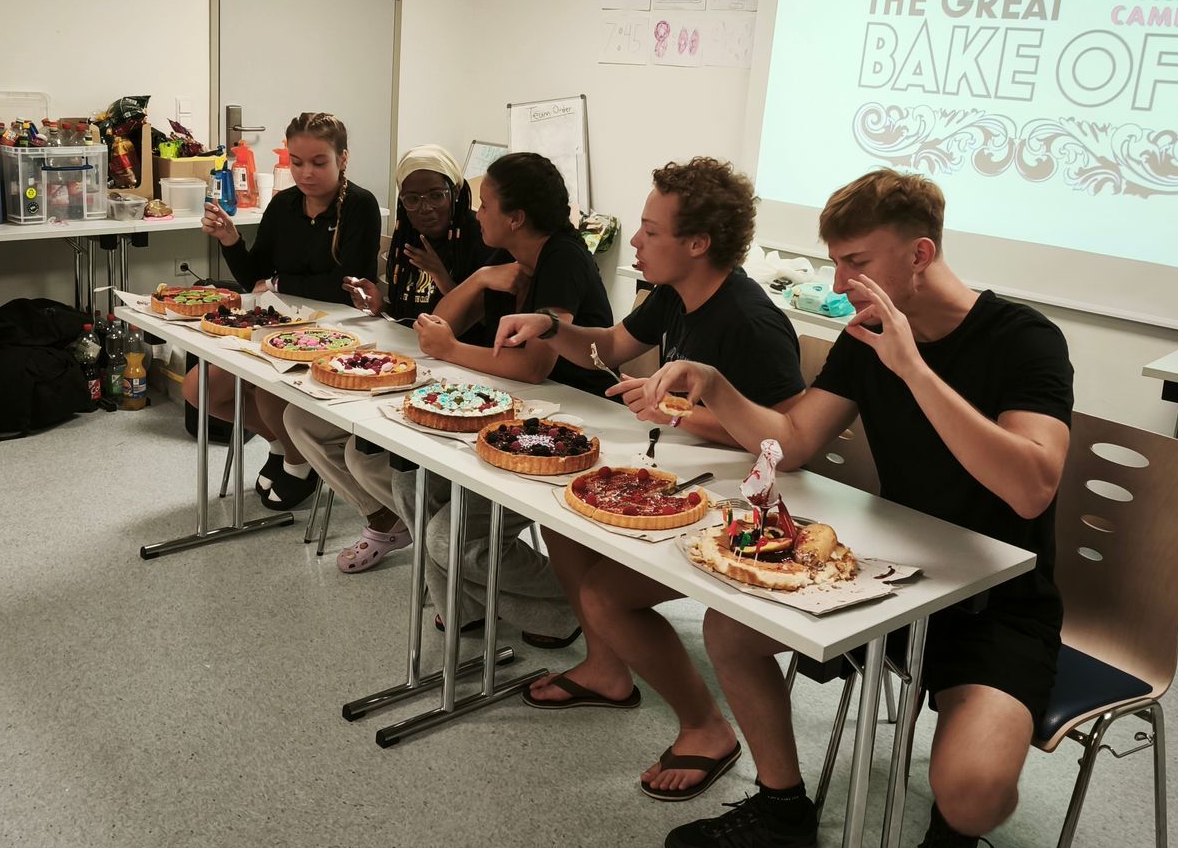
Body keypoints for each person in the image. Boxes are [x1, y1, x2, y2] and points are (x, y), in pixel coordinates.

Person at [642, 168, 1072, 848]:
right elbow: (794, 441)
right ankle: (781, 808)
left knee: (973, 792)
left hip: (996, 602)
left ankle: (953, 834)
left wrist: (913, 369)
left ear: (920, 254)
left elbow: (1031, 486)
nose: (840, 283)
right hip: (892, 575)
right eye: (836, 261)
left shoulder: (1025, 339)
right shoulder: (866, 335)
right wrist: (713, 384)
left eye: (857, 262)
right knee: (731, 629)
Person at [491, 158, 805, 801]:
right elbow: (607, 347)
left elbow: (785, 446)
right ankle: (607, 670)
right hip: (689, 476)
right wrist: (551, 326)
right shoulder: (671, 294)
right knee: (565, 525)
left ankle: (706, 728)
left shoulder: (751, 321)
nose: (633, 241)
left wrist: (682, 413)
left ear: (698, 244)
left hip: (746, 506)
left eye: (650, 231)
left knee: (607, 594)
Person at [392, 152, 613, 641]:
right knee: (410, 484)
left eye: (486, 204)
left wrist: (451, 350)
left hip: (573, 426)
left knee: (451, 540)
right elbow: (439, 324)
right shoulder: (510, 252)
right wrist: (477, 279)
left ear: (516, 217)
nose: (477, 213)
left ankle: (583, 604)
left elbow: (534, 366)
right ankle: (467, 607)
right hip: (518, 409)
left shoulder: (563, 258)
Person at [281, 144, 490, 572]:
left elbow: (479, 325)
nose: (425, 208)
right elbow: (408, 314)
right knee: (299, 420)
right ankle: (385, 517)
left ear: (455, 193)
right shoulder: (406, 237)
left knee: (360, 454)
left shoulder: (480, 238)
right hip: (400, 365)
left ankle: (440, 546)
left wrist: (442, 275)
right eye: (412, 199)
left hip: (458, 381)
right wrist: (380, 304)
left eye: (436, 195)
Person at [193, 111, 380, 510]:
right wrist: (230, 241)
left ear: (343, 159)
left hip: (337, 332)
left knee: (266, 389)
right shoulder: (283, 205)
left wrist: (279, 283)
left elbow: (346, 285)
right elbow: (254, 278)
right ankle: (281, 444)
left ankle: (299, 462)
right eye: (297, 162)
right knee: (200, 389)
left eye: (319, 162)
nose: (306, 173)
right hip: (281, 324)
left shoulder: (360, 206)